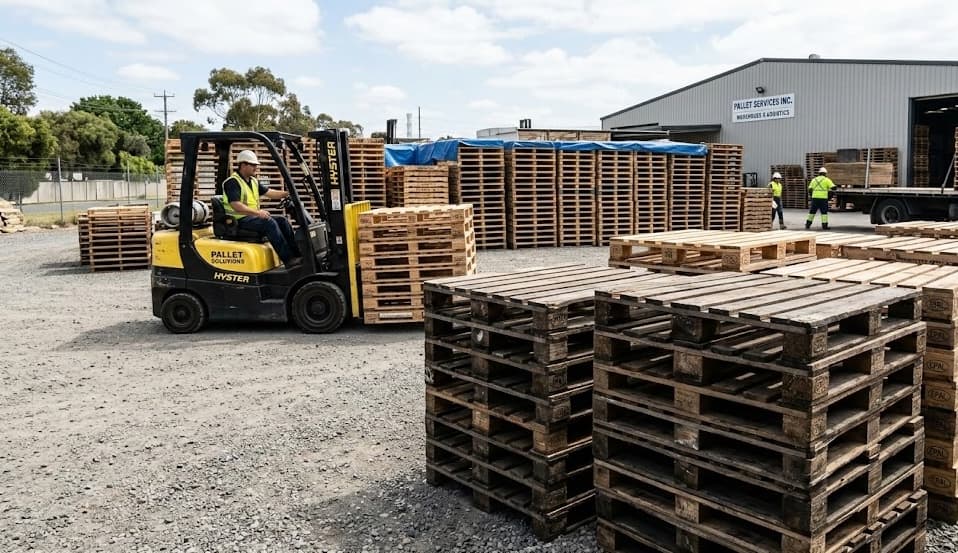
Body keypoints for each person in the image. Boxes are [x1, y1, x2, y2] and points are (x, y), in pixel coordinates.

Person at [222, 150, 302, 266]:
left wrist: (289, 193)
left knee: (282, 221)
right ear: (243, 165)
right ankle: (288, 260)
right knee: (269, 223)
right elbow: (236, 205)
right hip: (239, 220)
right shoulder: (233, 182)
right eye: (253, 165)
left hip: (250, 217)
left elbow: (270, 192)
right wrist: (257, 213)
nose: (256, 168)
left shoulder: (253, 181)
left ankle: (297, 255)